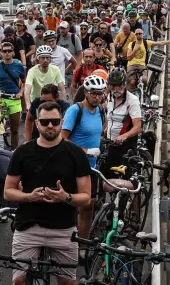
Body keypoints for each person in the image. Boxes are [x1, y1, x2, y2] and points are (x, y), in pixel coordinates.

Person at [4, 101, 91, 285]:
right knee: (18, 281)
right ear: (36, 124)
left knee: (67, 282)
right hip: (28, 227)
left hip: (64, 229)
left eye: (54, 121)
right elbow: (8, 192)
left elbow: (85, 197)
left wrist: (66, 197)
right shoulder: (22, 152)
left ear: (61, 122)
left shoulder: (76, 154)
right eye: (44, 122)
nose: (50, 125)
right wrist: (29, 197)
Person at [62, 74, 107, 239]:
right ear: (86, 93)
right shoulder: (75, 110)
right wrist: (85, 151)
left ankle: (82, 243)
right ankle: (65, 240)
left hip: (91, 167)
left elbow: (101, 129)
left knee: (89, 206)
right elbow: (63, 138)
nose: (97, 97)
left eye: (100, 94)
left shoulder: (101, 110)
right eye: (94, 93)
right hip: (73, 165)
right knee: (70, 204)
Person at [0, 41, 26, 149]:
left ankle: (14, 151)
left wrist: (20, 92)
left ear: (13, 52)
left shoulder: (18, 65)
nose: (7, 53)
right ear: (0, 52)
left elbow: (24, 82)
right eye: (4, 51)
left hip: (14, 99)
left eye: (9, 51)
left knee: (15, 129)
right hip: (0, 99)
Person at [104, 68, 142, 169]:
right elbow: (111, 117)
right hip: (110, 142)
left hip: (125, 146)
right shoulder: (110, 97)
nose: (116, 88)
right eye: (113, 85)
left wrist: (124, 136)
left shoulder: (132, 100)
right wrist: (106, 128)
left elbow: (138, 127)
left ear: (125, 84)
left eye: (119, 85)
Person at [24, 46, 66, 110]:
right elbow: (27, 89)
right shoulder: (32, 71)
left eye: (47, 58)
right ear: (38, 58)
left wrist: (64, 103)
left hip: (50, 101)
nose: (45, 60)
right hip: (36, 100)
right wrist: (28, 104)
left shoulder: (55, 69)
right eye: (43, 58)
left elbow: (62, 89)